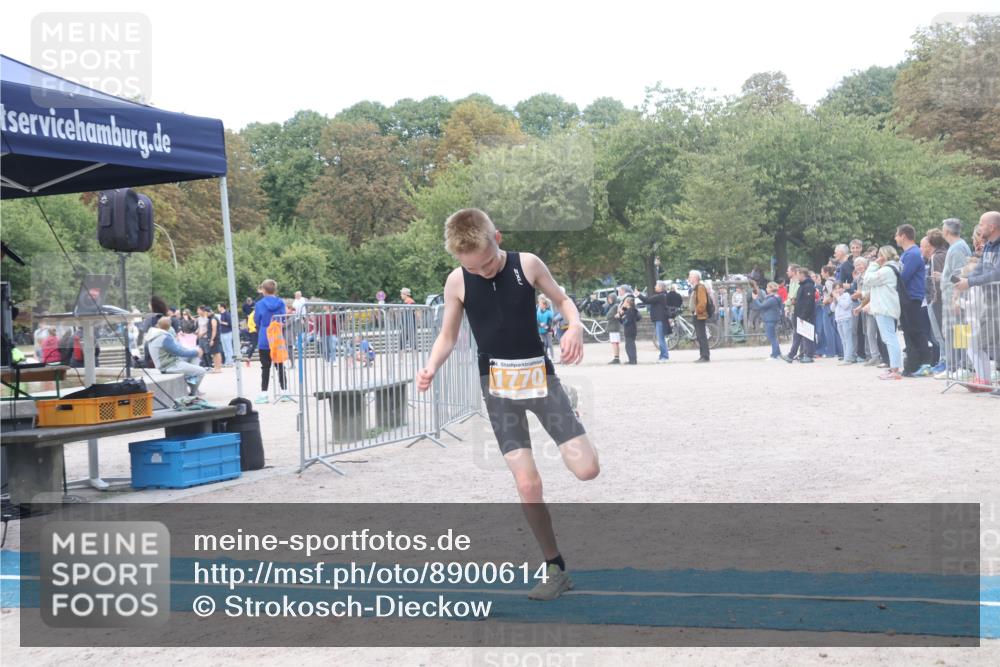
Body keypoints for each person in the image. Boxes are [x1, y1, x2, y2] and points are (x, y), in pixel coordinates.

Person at [416, 208, 599, 601]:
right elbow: (448, 335)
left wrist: (575, 326)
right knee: (528, 485)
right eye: (473, 268)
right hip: (498, 388)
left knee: (587, 470)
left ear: (497, 238)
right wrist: (430, 366)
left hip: (540, 380)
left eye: (487, 263)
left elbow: (563, 300)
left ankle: (567, 398)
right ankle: (554, 566)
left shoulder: (527, 264)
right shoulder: (457, 281)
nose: (482, 272)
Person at [953, 211, 1000, 391]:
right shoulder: (988, 246)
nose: (979, 227)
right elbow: (980, 269)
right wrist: (963, 281)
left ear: (992, 227)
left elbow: (996, 274)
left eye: (981, 224)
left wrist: (969, 282)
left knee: (984, 342)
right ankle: (984, 381)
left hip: (995, 302)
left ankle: (985, 380)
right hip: (991, 303)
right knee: (981, 343)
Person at [894, 224, 933, 377]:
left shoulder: (913, 254)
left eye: (897, 235)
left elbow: (903, 277)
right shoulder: (907, 254)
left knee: (915, 330)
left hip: (912, 297)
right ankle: (913, 364)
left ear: (903, 235)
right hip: (907, 297)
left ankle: (925, 363)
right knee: (909, 331)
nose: (895, 238)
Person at [937, 218, 973, 379]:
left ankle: (961, 366)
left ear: (947, 231)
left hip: (954, 295)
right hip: (952, 294)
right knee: (953, 331)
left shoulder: (957, 247)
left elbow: (959, 274)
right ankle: (955, 366)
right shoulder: (957, 246)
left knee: (958, 330)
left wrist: (956, 298)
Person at [863, 246, 904, 380]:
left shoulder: (887, 270)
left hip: (885, 308)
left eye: (879, 255)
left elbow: (867, 280)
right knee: (889, 338)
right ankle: (893, 367)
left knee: (890, 339)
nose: (877, 258)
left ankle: (895, 369)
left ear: (883, 256)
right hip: (887, 307)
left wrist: (873, 264)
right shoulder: (892, 268)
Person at [144, 316, 206, 396]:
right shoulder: (164, 337)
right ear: (169, 326)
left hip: (167, 362)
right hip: (169, 366)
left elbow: (179, 349)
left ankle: (191, 377)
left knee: (194, 353)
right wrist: (197, 352)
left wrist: (195, 351)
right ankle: (193, 394)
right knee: (201, 371)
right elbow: (179, 352)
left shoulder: (155, 334)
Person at [254, 279, 288, 403]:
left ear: (263, 290)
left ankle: (264, 394)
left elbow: (257, 320)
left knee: (265, 367)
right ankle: (284, 392)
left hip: (265, 335)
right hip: (277, 337)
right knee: (280, 366)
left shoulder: (259, 304)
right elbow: (283, 319)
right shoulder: (281, 302)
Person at [922, 231, 948, 374]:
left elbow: (934, 281)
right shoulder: (945, 253)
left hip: (936, 300)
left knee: (939, 334)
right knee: (940, 334)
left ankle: (945, 361)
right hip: (941, 299)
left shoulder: (936, 257)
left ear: (930, 244)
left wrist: (933, 300)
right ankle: (944, 360)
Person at [783, 267, 816, 363]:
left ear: (802, 274)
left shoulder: (808, 286)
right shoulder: (802, 285)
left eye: (797, 274)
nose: (796, 276)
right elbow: (801, 301)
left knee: (807, 336)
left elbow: (808, 303)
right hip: (799, 314)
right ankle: (791, 355)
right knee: (797, 336)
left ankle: (809, 356)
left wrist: (803, 316)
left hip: (805, 316)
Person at [637, 280, 671, 362]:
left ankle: (664, 356)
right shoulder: (662, 295)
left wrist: (638, 294)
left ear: (661, 287)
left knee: (660, 339)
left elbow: (647, 300)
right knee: (660, 338)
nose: (655, 287)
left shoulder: (660, 296)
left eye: (656, 285)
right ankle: (662, 356)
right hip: (659, 319)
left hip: (660, 319)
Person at [750, 282, 783, 359]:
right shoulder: (776, 297)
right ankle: (777, 353)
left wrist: (755, 299)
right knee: (773, 337)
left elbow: (761, 306)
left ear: (771, 289)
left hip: (770, 319)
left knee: (772, 337)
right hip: (773, 318)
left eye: (768, 287)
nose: (766, 289)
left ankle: (774, 355)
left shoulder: (771, 299)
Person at [688, 270, 712, 362]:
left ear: (695, 278)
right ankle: (702, 355)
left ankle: (705, 356)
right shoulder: (696, 288)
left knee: (702, 336)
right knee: (699, 336)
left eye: (690, 276)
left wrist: (697, 311)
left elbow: (703, 302)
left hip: (699, 315)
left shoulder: (700, 287)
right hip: (697, 314)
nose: (689, 278)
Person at [832, 282, 857, 364]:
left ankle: (848, 358)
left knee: (848, 339)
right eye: (835, 289)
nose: (838, 290)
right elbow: (832, 309)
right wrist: (834, 300)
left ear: (843, 289)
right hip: (839, 320)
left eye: (839, 288)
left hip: (846, 319)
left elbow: (845, 305)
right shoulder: (836, 298)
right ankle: (846, 356)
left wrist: (838, 298)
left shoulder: (846, 295)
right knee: (843, 340)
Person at [617, 294, 640, 364]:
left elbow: (625, 322)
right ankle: (632, 359)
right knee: (630, 345)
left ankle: (632, 360)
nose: (623, 303)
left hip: (629, 330)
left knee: (629, 346)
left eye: (624, 302)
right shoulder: (632, 310)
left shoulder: (629, 311)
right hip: (632, 330)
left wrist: (620, 317)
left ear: (628, 303)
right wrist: (621, 314)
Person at [604, 293, 622, 364]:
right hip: (615, 326)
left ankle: (616, 358)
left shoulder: (614, 306)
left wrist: (611, 316)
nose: (609, 300)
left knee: (614, 343)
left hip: (613, 327)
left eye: (610, 298)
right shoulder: (615, 306)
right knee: (615, 343)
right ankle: (616, 357)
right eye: (608, 298)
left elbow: (608, 316)